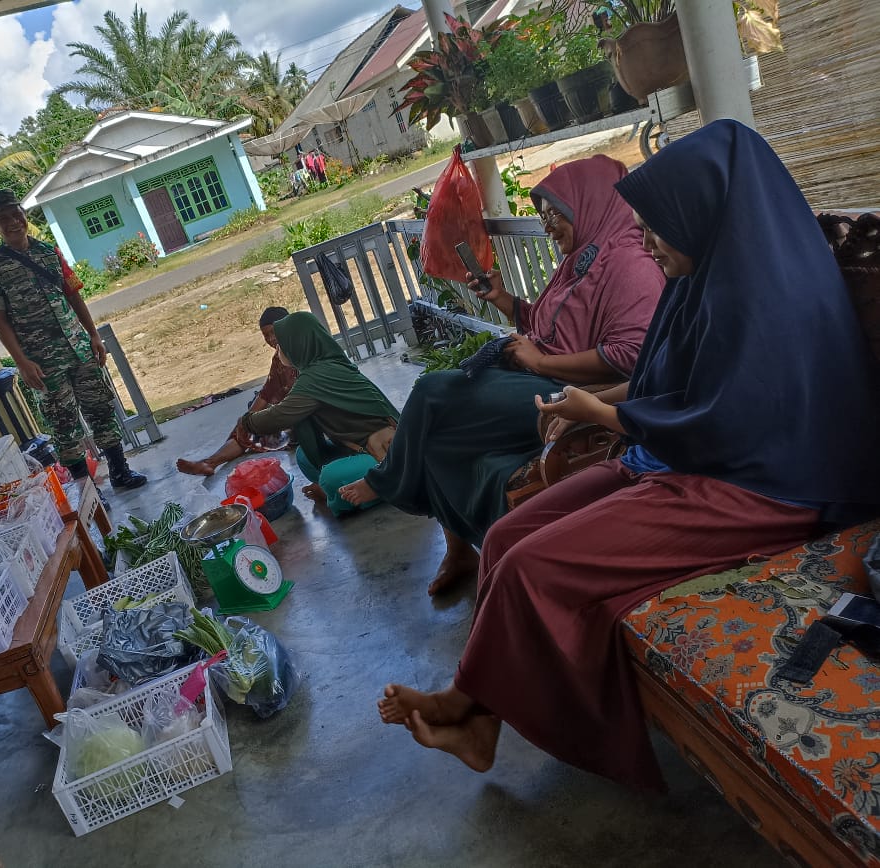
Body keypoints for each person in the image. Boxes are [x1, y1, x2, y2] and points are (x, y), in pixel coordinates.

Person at [377, 120, 880, 791]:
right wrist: (589, 400)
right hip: (684, 457)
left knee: (533, 565)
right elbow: (665, 384)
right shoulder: (699, 274)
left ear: (703, 210)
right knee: (505, 536)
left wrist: (603, 413)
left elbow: (728, 423)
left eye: (657, 225)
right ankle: (479, 718)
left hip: (764, 487)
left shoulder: (776, 296)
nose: (645, 241)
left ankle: (469, 705)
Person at [340, 155, 665, 594]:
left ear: (588, 204)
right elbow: (552, 330)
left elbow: (632, 356)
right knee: (434, 441)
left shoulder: (629, 262)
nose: (548, 226)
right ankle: (461, 554)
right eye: (544, 216)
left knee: (432, 391)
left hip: (565, 392)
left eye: (556, 215)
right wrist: (506, 302)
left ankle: (386, 482)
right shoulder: (582, 260)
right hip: (535, 377)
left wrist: (539, 363)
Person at [0, 189, 146, 491]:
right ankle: (87, 492)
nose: (14, 222)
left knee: (101, 410)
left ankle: (121, 472)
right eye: (4, 219)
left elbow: (74, 295)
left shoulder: (49, 253)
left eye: (17, 214)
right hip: (41, 361)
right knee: (63, 424)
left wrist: (92, 335)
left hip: (79, 348)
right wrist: (22, 362)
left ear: (24, 215)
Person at [236, 312, 399, 516]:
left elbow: (277, 417)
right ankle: (345, 486)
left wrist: (246, 421)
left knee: (330, 477)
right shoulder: (323, 364)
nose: (278, 349)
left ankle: (348, 494)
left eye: (282, 343)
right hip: (357, 444)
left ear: (298, 344)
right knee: (305, 455)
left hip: (388, 452)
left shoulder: (316, 377)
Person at [176, 306, 298, 476]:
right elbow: (267, 392)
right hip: (286, 413)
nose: (270, 339)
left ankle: (211, 461)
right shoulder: (279, 358)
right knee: (247, 425)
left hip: (302, 416)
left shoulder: (304, 350)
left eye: (273, 332)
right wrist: (248, 420)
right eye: (266, 336)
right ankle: (209, 462)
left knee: (256, 432)